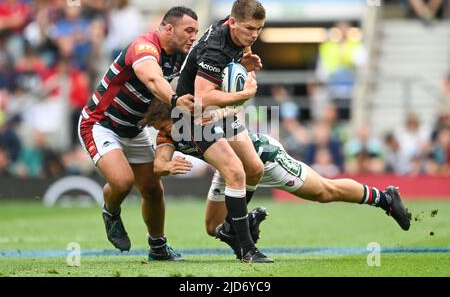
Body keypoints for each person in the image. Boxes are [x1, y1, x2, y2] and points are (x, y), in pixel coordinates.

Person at [142, 99, 411, 260]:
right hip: (229, 171)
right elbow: (159, 162)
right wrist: (166, 166)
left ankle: (384, 198)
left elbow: (232, 113)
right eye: (160, 129)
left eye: (164, 126)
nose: (164, 132)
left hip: (263, 159)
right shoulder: (170, 131)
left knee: (324, 191)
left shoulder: (201, 118)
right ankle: (248, 221)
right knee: (213, 227)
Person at [77, 6, 198, 261]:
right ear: (168, 29)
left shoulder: (179, 55)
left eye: (196, 32)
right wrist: (177, 101)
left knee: (154, 190)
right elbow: (153, 81)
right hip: (101, 123)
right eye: (188, 30)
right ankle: (110, 211)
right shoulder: (143, 47)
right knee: (122, 181)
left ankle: (158, 247)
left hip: (134, 128)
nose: (193, 36)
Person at [173, 0, 270, 263]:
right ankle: (247, 248)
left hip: (217, 115)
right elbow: (203, 95)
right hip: (191, 119)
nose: (254, 34)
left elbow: (222, 74)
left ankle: (229, 227)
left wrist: (241, 67)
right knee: (235, 172)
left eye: (259, 28)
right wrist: (244, 94)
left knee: (255, 168)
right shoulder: (216, 48)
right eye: (249, 28)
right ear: (232, 22)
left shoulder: (235, 36)